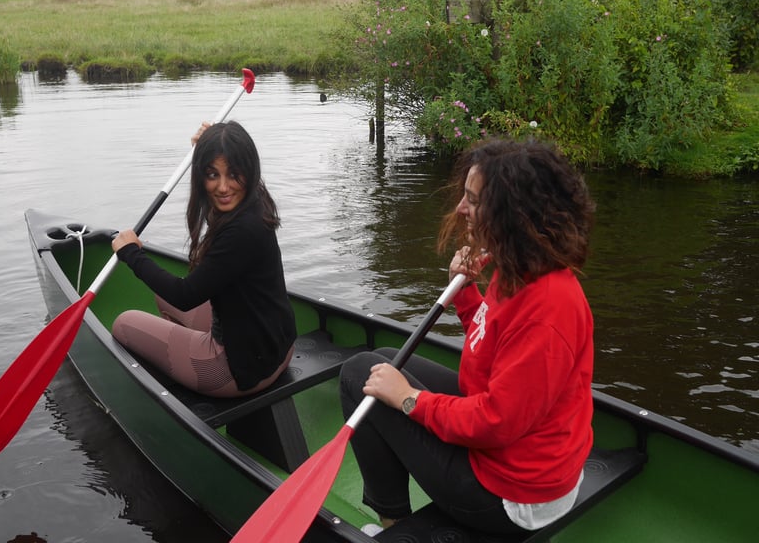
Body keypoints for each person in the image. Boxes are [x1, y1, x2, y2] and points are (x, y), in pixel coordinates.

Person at [339, 137, 596, 536]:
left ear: (512, 213)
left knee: (360, 376)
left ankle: (393, 524)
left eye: (473, 201)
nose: (461, 209)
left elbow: (495, 422)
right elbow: (493, 341)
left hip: (513, 496)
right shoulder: (521, 266)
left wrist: (409, 399)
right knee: (385, 361)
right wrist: (465, 294)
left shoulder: (548, 308)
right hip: (516, 451)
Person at [111, 120, 296, 397]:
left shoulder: (240, 233)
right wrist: (209, 147)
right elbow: (229, 192)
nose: (222, 187)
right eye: (212, 174)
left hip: (233, 372)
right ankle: (180, 356)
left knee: (124, 323)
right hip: (279, 350)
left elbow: (185, 295)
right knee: (163, 297)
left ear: (249, 170)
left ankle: (177, 379)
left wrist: (132, 254)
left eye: (233, 174)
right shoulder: (256, 199)